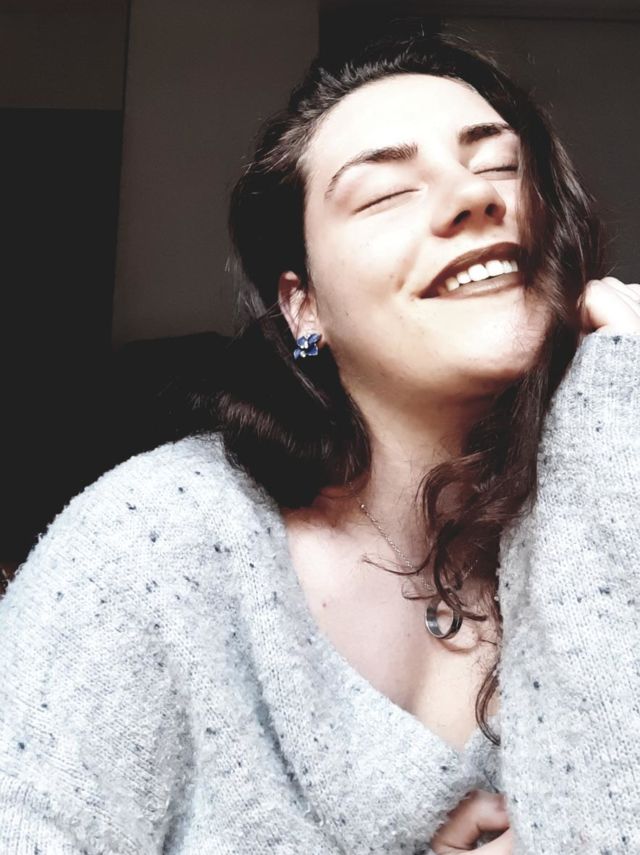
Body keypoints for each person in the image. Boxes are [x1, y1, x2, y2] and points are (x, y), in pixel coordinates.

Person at [1, 27, 639, 855]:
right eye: (385, 192)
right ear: (303, 306)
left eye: (499, 166)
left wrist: (618, 408)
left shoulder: (608, 492)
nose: (474, 197)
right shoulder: (154, 544)